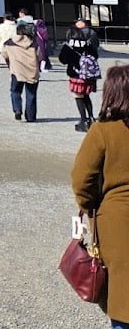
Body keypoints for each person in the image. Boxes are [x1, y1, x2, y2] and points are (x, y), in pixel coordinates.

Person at [72, 64, 129, 328]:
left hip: (117, 218)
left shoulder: (104, 131)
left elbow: (82, 179)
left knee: (122, 289)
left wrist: (91, 207)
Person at [61, 25, 101, 133]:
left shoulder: (68, 47)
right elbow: (95, 56)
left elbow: (63, 60)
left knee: (78, 96)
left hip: (75, 74)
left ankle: (83, 120)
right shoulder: (87, 45)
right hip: (87, 75)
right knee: (86, 96)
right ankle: (91, 117)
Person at [4, 22, 40, 122]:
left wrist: (10, 61)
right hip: (31, 71)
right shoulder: (34, 43)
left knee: (15, 91)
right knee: (31, 94)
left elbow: (4, 54)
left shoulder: (10, 42)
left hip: (16, 70)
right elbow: (39, 56)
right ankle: (30, 116)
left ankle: (17, 109)